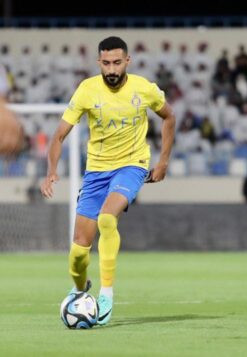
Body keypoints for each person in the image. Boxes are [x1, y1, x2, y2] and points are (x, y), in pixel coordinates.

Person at [40, 37, 176, 326]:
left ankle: (106, 296)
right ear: (98, 62)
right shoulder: (87, 90)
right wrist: (51, 169)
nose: (111, 69)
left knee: (106, 219)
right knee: (78, 252)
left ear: (127, 61)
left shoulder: (144, 89)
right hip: (96, 172)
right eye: (106, 63)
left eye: (117, 62)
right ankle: (80, 291)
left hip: (131, 165)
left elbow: (169, 117)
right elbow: (59, 135)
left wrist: (162, 162)